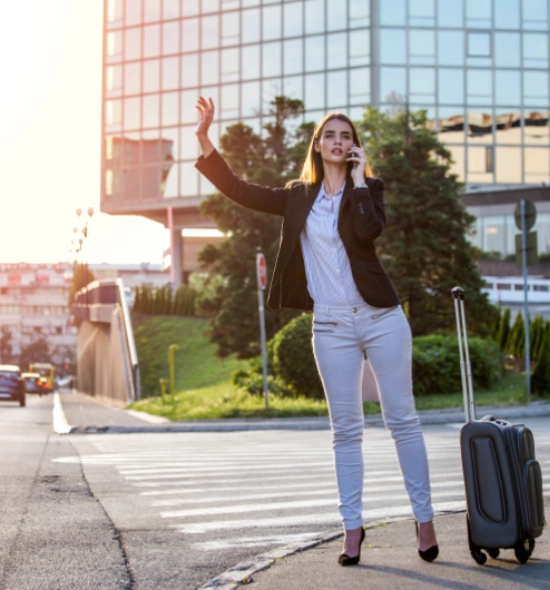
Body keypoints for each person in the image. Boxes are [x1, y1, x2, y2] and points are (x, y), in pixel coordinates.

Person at [194, 96, 439, 566]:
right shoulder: (296, 196)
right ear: (317, 145)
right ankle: (352, 530)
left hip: (381, 317)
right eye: (331, 134)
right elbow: (240, 190)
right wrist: (205, 139)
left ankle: (424, 520)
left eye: (346, 136)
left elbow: (369, 233)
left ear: (354, 147)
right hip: (329, 323)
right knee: (345, 430)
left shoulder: (369, 188)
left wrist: (363, 181)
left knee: (402, 421)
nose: (338, 141)